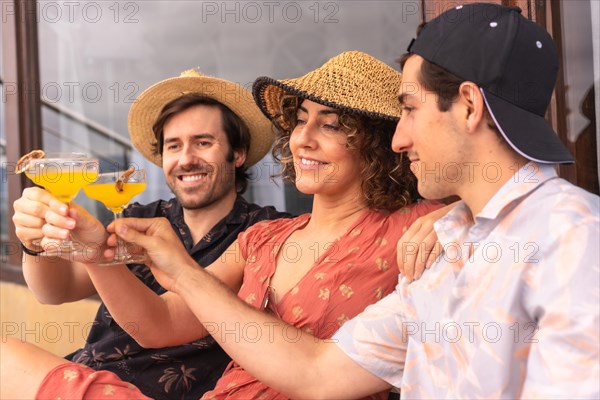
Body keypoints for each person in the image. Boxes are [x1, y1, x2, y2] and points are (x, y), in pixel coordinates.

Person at [96, 4, 598, 399]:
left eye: (408, 108)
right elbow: (318, 371)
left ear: (467, 105)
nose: (400, 137)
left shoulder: (567, 240)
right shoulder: (444, 250)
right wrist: (106, 254)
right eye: (299, 121)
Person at [1, 51, 444, 399]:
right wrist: (90, 252)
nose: (303, 138)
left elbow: (503, 204)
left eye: (331, 126)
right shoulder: (264, 239)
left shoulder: (419, 227)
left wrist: (452, 214)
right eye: (300, 120)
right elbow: (160, 322)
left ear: (379, 148)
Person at [7, 70, 289, 399]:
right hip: (85, 376)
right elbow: (55, 291)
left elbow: (162, 321)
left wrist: (97, 254)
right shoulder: (140, 216)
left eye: (203, 142)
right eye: (174, 146)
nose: (186, 159)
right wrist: (35, 244)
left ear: (237, 154)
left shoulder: (262, 233)